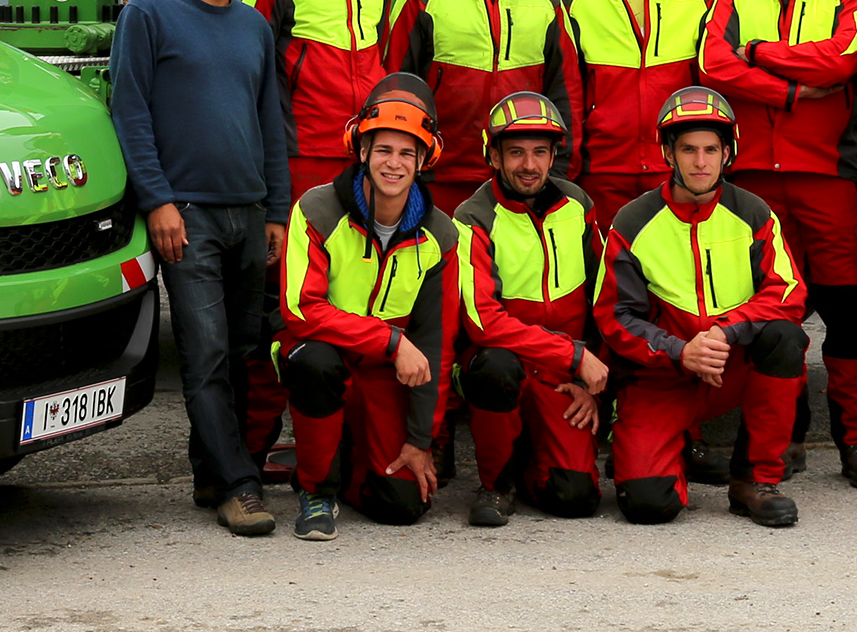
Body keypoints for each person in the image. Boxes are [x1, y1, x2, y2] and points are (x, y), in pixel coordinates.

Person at [697, 0, 857, 488]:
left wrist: (758, 54)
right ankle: (786, 437)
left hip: (827, 180)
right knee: (772, 319)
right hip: (750, 183)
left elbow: (839, 61)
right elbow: (711, 63)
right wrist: (785, 91)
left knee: (850, 314)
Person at [110, 0, 290, 537]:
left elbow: (271, 122)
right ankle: (240, 487)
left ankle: (212, 471)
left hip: (249, 214)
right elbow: (130, 113)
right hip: (187, 216)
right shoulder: (148, 14)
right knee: (207, 353)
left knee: (244, 353)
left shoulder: (253, 27)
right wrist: (156, 200)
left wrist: (276, 210)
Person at [239, 0, 403, 462]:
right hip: (298, 164)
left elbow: (387, 67)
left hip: (364, 171)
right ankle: (251, 456)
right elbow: (251, 75)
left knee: (356, 304)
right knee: (282, 317)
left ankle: (347, 450)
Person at [596, 87, 808, 528]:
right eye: (688, 149)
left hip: (730, 365)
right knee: (648, 505)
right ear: (668, 153)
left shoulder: (753, 213)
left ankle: (754, 480)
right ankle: (662, 451)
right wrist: (680, 350)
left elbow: (787, 293)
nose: (700, 162)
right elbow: (614, 316)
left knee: (786, 338)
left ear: (727, 153)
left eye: (711, 149)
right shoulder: (633, 221)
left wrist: (724, 333)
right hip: (662, 377)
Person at [278, 75, 455, 539]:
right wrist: (391, 340)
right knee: (314, 362)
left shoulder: (441, 235)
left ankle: (352, 458)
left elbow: (436, 345)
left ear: (423, 161)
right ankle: (316, 489)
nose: (393, 164)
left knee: (402, 507)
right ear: (360, 152)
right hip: (327, 352)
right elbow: (302, 309)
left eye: (406, 153)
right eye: (383, 150)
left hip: (382, 373)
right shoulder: (316, 210)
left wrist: (420, 441)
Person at [452, 93, 608, 525]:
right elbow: (483, 321)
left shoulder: (578, 206)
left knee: (575, 499)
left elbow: (608, 302)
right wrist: (574, 356)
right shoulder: (472, 218)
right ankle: (495, 485)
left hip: (563, 379)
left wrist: (592, 383)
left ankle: (529, 459)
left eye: (540, 151)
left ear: (555, 154)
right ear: (494, 156)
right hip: (508, 366)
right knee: (494, 366)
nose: (529, 165)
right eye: (516, 152)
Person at [393, 0, 578, 213]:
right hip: (441, 177)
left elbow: (566, 93)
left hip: (521, 179)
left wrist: (559, 170)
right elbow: (398, 90)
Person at [561, 0, 716, 229]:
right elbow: (566, 93)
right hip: (601, 173)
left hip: (678, 172)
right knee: (607, 277)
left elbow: (712, 85)